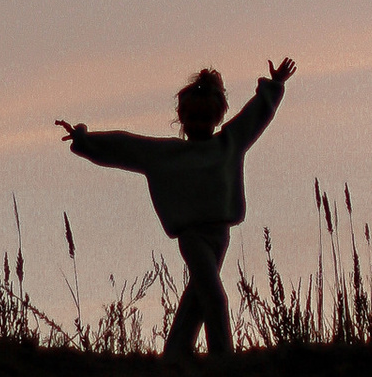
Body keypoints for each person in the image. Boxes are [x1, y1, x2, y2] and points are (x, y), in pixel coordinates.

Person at [58, 57, 295, 360]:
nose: (198, 126)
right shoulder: (166, 154)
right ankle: (223, 359)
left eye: (204, 119)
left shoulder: (229, 144)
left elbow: (255, 116)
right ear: (182, 119)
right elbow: (125, 145)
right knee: (214, 296)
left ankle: (176, 353)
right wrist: (84, 139)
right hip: (193, 235)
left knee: (197, 298)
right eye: (192, 119)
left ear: (216, 117)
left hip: (220, 234)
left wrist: (274, 86)